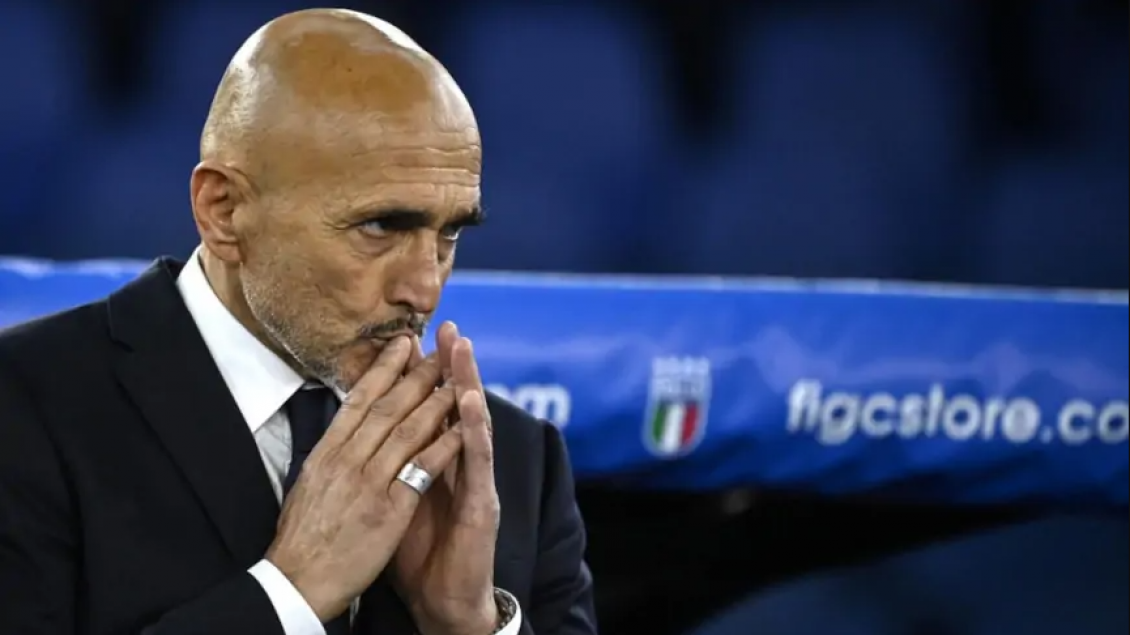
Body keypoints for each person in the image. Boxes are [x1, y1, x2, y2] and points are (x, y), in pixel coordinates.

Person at [0, 8, 597, 635]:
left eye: (448, 233)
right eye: (380, 226)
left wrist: (468, 625)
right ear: (224, 211)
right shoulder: (24, 411)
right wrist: (291, 593)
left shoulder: (512, 464)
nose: (425, 288)